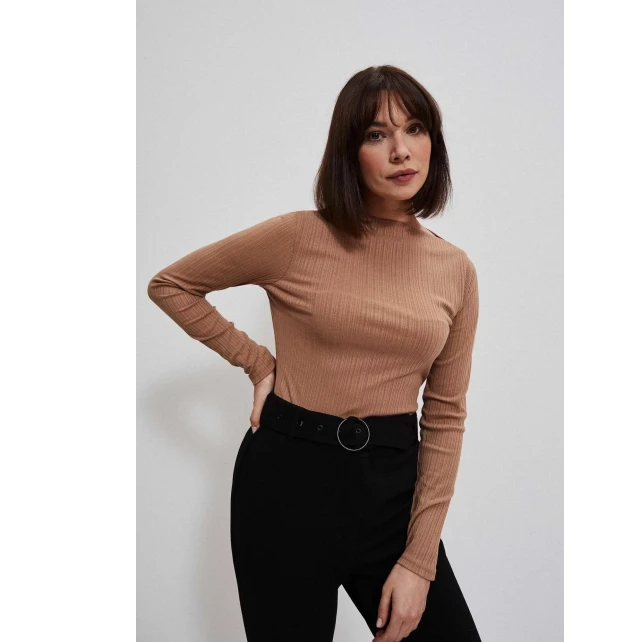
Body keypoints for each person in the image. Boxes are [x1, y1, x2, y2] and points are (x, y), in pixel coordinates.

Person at [147, 65, 482, 642]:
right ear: (349, 151)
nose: (401, 150)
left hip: (393, 493)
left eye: (415, 129)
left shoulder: (455, 270)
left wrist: (420, 560)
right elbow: (172, 285)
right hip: (286, 486)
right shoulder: (298, 237)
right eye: (376, 134)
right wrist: (258, 363)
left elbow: (446, 416)